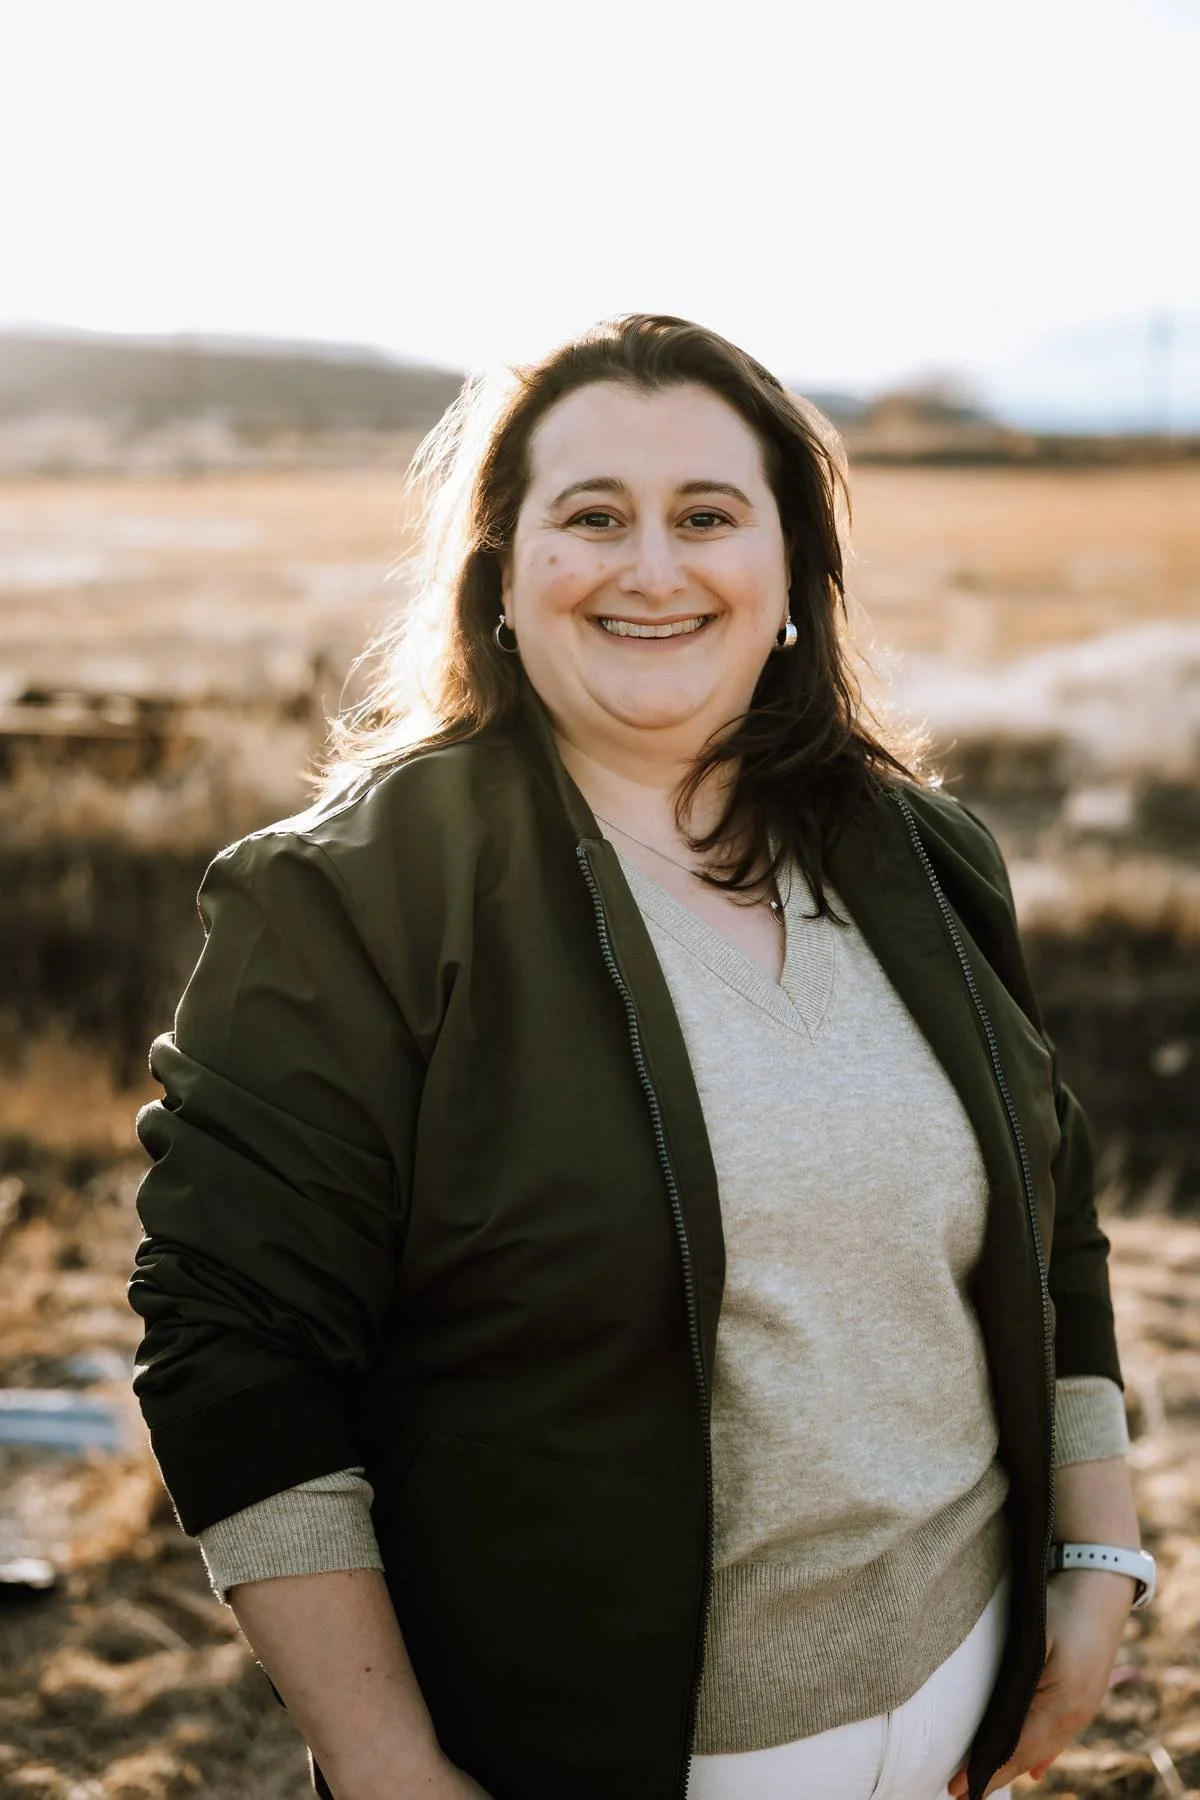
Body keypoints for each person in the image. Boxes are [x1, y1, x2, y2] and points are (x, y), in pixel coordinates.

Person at [129, 314, 1151, 1800]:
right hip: (612, 1753)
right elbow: (232, 1345)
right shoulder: (356, 896)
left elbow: (1054, 1207)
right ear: (502, 573)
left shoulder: (923, 854)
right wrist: (384, 1762)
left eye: (708, 517)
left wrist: (1096, 1546)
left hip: (960, 1700)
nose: (653, 569)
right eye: (593, 517)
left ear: (787, 572)